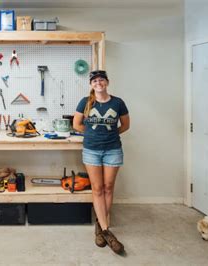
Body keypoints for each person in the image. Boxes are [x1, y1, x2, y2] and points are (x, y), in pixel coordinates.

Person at [73, 70, 130, 255]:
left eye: (102, 80)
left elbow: (126, 125)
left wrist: (110, 135)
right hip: (91, 150)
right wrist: (92, 135)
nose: (99, 83)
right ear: (91, 84)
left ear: (107, 82)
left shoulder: (118, 102)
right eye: (95, 80)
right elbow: (76, 125)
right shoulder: (86, 102)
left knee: (108, 187)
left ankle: (100, 225)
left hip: (113, 149)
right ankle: (106, 230)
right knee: (97, 189)